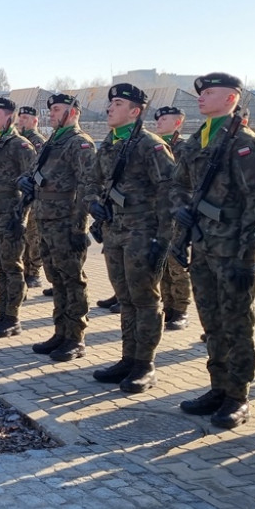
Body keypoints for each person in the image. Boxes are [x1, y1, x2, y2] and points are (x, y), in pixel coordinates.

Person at [172, 74, 255, 427]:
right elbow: (178, 184)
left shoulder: (243, 141)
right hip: (202, 243)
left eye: (210, 92)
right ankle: (218, 386)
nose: (201, 97)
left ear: (231, 99)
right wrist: (180, 212)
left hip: (232, 249)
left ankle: (238, 396)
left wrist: (248, 255)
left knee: (236, 324)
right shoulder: (198, 138)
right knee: (212, 322)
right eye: (201, 92)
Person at [87, 83, 175, 393]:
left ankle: (145, 365)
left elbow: (170, 192)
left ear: (135, 111)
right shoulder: (110, 144)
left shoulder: (150, 146)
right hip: (114, 232)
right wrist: (92, 202)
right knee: (125, 299)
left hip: (142, 232)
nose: (110, 107)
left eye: (119, 103)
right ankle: (128, 358)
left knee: (145, 301)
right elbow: (91, 180)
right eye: (111, 103)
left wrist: (163, 241)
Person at [22, 94, 97, 360]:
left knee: (73, 280)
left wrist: (79, 227)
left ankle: (76, 338)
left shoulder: (79, 143)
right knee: (57, 280)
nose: (51, 114)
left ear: (73, 113)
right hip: (45, 220)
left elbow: (88, 187)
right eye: (50, 109)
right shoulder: (52, 142)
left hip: (66, 223)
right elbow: (36, 174)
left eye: (56, 110)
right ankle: (61, 332)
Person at [0, 97, 36, 338]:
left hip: (10, 214)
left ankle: (13, 318)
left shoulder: (20, 146)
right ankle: (2, 314)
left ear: (10, 117)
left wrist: (22, 217)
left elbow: (32, 184)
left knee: (12, 267)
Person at [152, 106, 192, 331]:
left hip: (176, 214)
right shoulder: (155, 146)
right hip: (157, 214)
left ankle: (181, 310)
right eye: (158, 119)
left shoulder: (184, 148)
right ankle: (167, 307)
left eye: (164, 119)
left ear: (177, 123)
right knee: (162, 264)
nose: (159, 122)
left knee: (177, 265)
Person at [18, 105, 47, 291]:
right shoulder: (18, 140)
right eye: (20, 118)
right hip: (20, 195)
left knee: (33, 236)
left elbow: (41, 170)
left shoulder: (38, 142)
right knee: (22, 235)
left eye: (25, 118)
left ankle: (34, 272)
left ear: (35, 121)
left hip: (35, 196)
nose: (21, 121)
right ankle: (25, 270)